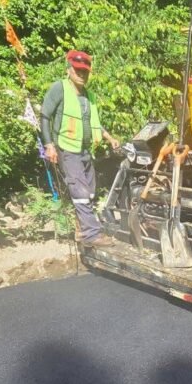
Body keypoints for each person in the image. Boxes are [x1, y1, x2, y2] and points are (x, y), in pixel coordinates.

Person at [41, 50, 121, 248]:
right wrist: (49, 145)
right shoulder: (60, 89)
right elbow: (44, 116)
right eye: (77, 71)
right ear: (69, 70)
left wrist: (109, 137)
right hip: (67, 150)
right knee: (81, 192)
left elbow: (94, 123)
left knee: (91, 192)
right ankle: (92, 235)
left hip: (85, 150)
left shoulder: (89, 96)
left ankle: (80, 229)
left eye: (85, 72)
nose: (81, 75)